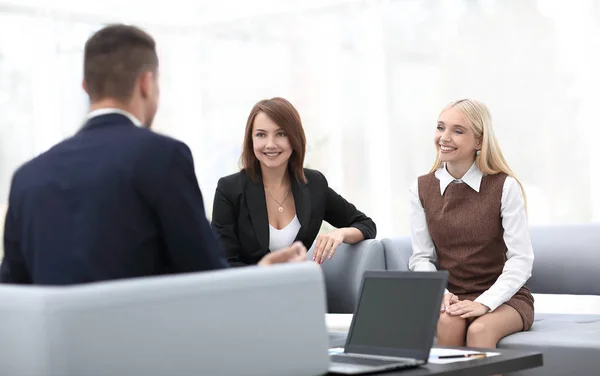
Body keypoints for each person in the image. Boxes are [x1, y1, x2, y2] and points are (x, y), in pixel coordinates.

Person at [0, 24, 306, 286]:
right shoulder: (162, 156)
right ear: (146, 83)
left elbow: (12, 294)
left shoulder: (28, 177)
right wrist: (262, 274)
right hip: (147, 352)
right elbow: (206, 278)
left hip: (53, 356)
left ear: (85, 87)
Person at [408, 98, 534, 348]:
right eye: (440, 127)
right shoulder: (421, 188)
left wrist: (485, 302)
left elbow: (521, 259)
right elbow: (421, 258)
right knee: (448, 322)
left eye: (458, 130)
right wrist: (442, 295)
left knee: (480, 330)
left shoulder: (504, 186)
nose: (444, 137)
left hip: (503, 298)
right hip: (451, 296)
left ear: (479, 141)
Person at [211, 97, 376, 266]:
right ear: (251, 140)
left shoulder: (314, 184)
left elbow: (366, 225)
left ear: (294, 138)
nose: (270, 144)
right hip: (250, 290)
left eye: (281, 134)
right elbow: (224, 264)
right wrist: (264, 271)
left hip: (299, 288)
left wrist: (340, 234)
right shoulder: (229, 189)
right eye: (261, 135)